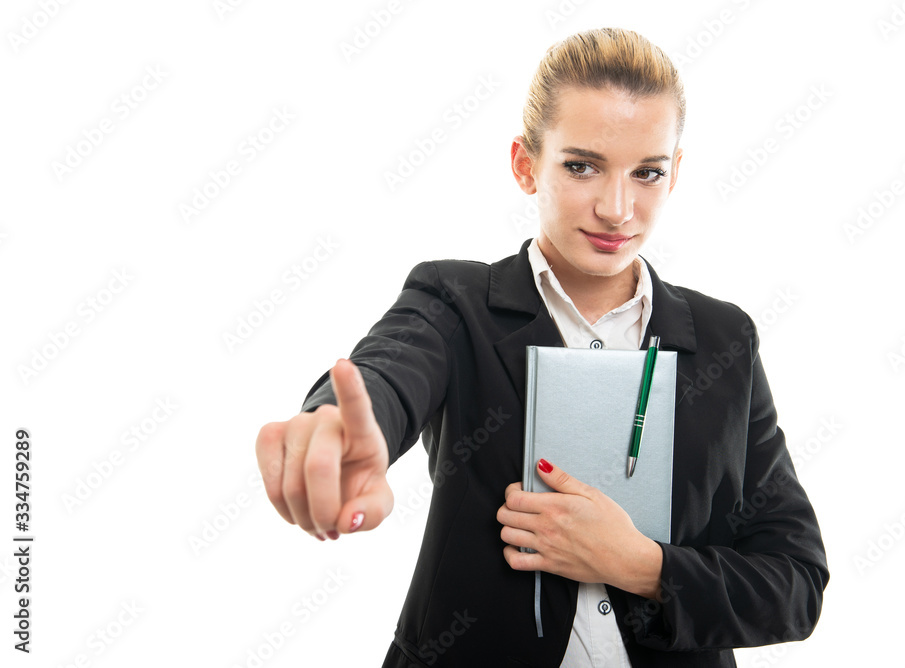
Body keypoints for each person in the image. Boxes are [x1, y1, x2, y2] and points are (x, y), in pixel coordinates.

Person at [255, 27, 829, 667]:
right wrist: (337, 428)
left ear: (675, 175)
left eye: (647, 173)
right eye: (582, 166)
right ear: (526, 165)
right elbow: (387, 376)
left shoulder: (725, 339)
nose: (617, 209)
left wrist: (641, 565)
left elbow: (795, 585)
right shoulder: (455, 302)